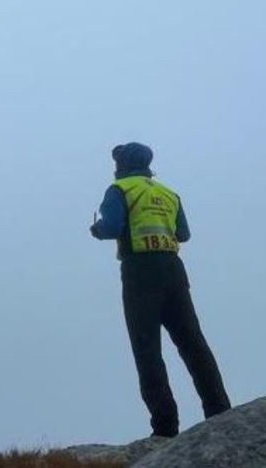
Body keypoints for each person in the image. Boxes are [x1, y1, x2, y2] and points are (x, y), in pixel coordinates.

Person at [89, 142, 231, 437]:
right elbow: (184, 234)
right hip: (174, 271)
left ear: (122, 164)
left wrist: (97, 229)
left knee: (147, 349)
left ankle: (165, 426)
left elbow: (113, 227)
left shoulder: (120, 189)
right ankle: (219, 411)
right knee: (193, 343)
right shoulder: (168, 193)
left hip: (140, 272)